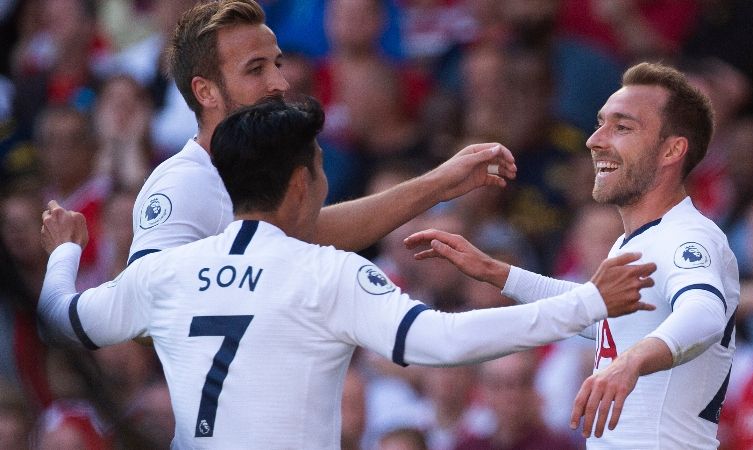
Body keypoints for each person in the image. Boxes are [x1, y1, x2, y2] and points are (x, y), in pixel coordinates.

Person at [38, 97, 657, 449]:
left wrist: (65, 251)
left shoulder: (165, 272)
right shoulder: (325, 272)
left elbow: (62, 320)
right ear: (304, 182)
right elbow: (441, 341)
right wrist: (587, 302)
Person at [405, 62, 740, 448]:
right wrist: (495, 272)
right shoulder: (635, 242)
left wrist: (630, 364)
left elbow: (704, 313)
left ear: (672, 150)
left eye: (623, 127)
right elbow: (596, 315)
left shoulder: (689, 237)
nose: (595, 140)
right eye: (600, 123)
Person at [127, 0, 518, 268]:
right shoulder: (182, 183)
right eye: (256, 69)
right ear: (205, 91)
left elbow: (318, 231)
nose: (280, 83)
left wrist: (441, 182)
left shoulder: (257, 168)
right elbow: (135, 309)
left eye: (277, 64)